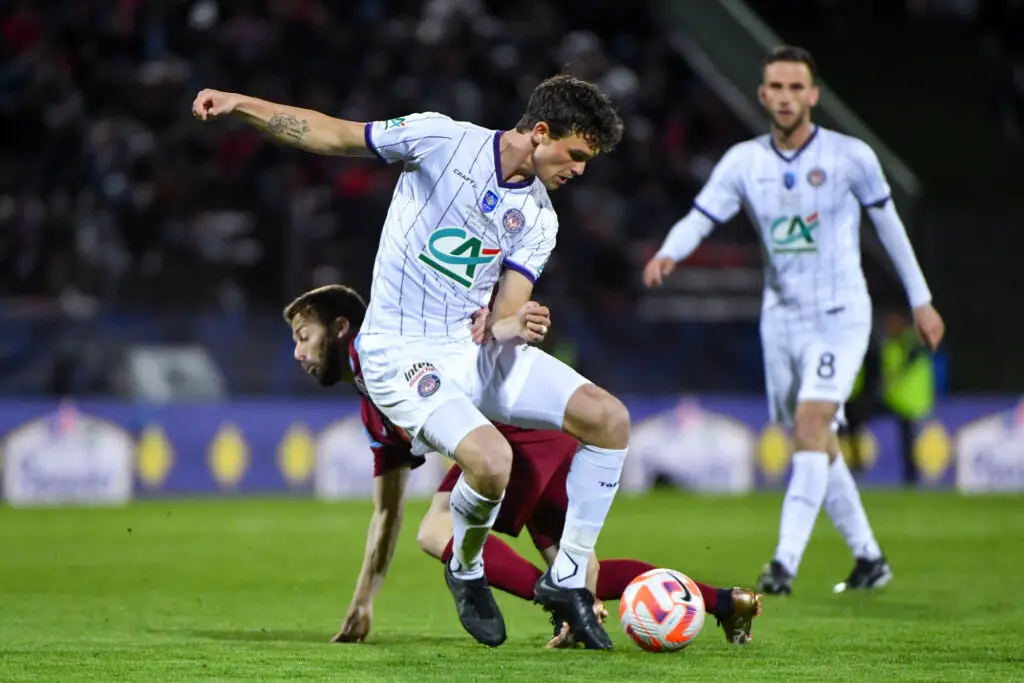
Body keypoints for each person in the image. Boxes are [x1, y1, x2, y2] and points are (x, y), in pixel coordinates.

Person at [195, 75, 627, 648]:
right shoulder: (440, 139)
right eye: (576, 154)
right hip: (400, 352)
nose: (580, 170)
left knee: (608, 418)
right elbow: (332, 134)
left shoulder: (540, 219)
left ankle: (569, 578)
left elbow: (502, 316)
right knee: (491, 461)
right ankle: (466, 567)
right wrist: (240, 104)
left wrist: (514, 324)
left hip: (471, 350)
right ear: (541, 132)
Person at [282, 284, 762, 647]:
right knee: (585, 575)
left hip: (515, 429)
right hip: (537, 436)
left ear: (341, 328)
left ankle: (564, 603)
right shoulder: (376, 410)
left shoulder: (397, 348)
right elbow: (386, 513)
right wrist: (363, 602)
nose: (298, 352)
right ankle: (727, 603)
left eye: (304, 337)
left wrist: (500, 319)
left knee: (437, 529)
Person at [642, 46, 945, 596]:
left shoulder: (851, 157)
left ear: (813, 95)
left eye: (795, 87)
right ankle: (869, 558)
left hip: (839, 314)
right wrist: (669, 252)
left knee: (811, 426)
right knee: (814, 439)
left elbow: (890, 228)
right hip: (780, 321)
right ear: (763, 95)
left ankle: (782, 565)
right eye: (776, 88)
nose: (785, 97)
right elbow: (701, 216)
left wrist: (920, 298)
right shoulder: (744, 162)